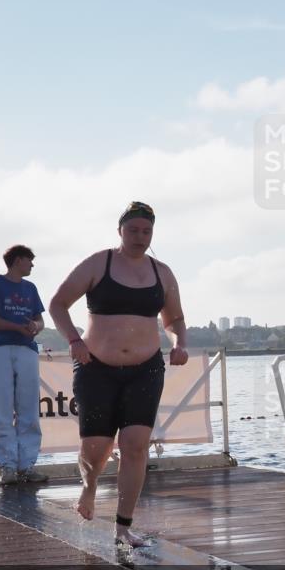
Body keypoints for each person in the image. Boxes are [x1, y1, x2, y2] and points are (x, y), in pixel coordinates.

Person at [48, 201, 188, 547]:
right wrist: (74, 340)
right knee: (95, 448)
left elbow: (174, 319)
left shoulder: (162, 272)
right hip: (96, 367)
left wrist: (179, 343)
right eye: (133, 230)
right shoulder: (99, 263)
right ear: (120, 231)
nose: (140, 237)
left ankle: (123, 527)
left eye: (146, 231)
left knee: (135, 445)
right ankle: (89, 485)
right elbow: (58, 304)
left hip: (145, 368)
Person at [0, 245, 48, 485]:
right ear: (17, 261)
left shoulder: (30, 288)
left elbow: (40, 320)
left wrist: (35, 327)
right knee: (1, 408)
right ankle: (7, 466)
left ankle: (27, 465)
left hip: (27, 349)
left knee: (29, 408)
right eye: (29, 260)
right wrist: (16, 327)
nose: (32, 265)